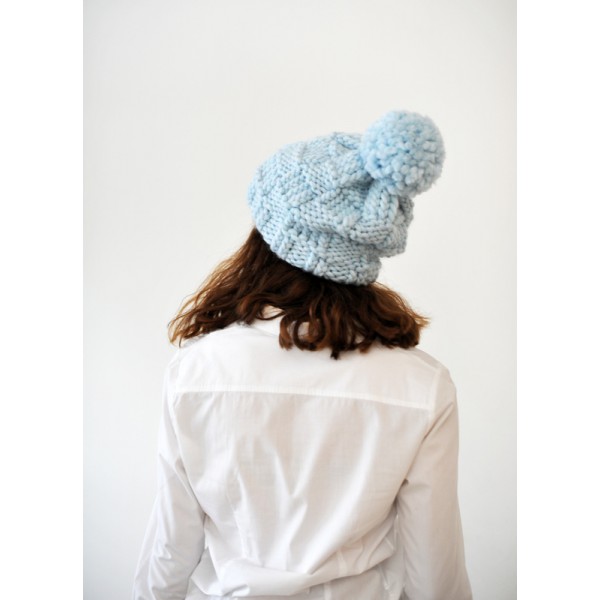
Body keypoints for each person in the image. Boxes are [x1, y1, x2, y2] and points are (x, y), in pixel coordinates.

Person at [132, 111, 472, 600]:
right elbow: (435, 572)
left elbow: (170, 548)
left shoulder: (197, 370)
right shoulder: (423, 386)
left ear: (266, 242)